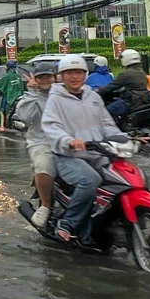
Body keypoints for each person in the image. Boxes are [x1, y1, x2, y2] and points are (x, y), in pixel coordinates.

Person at [42, 54, 129, 242]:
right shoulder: (55, 99)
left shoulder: (93, 97)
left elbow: (107, 124)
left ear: (85, 74)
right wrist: (68, 140)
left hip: (97, 154)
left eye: (79, 72)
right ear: (62, 76)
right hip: (69, 156)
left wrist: (123, 138)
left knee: (124, 180)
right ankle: (68, 223)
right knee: (90, 180)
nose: (74, 77)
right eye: (69, 73)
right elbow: (51, 126)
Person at [12, 63, 58, 228]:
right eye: (41, 77)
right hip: (41, 141)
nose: (45, 80)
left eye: (48, 76)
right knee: (44, 167)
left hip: (67, 141)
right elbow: (24, 116)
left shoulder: (64, 94)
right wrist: (32, 92)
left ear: (55, 77)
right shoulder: (30, 97)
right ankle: (45, 205)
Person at [96, 49, 150, 120]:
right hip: (143, 100)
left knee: (105, 112)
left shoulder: (126, 73)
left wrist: (98, 91)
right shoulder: (142, 72)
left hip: (130, 101)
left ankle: (113, 126)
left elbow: (111, 86)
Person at [0, 60, 25, 130]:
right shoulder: (18, 76)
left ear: (7, 67)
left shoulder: (7, 76)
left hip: (9, 96)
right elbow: (21, 87)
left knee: (1, 110)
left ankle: (1, 126)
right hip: (19, 97)